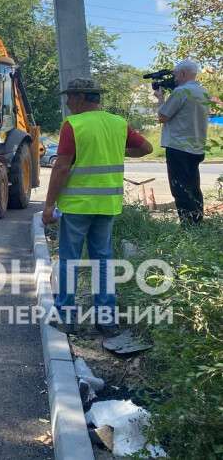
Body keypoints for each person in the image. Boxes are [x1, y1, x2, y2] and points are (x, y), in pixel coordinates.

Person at [42, 79, 153, 335]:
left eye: (70, 97)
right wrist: (117, 152)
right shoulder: (118, 123)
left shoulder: (74, 125)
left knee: (69, 260)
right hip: (107, 206)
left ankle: (66, 317)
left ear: (81, 97)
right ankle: (106, 320)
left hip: (78, 206)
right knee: (102, 261)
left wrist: (49, 205)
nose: (67, 102)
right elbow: (146, 148)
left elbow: (60, 167)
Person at [155, 59, 210, 225]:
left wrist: (160, 98)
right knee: (193, 187)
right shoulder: (203, 92)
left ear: (184, 73)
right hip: (197, 146)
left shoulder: (181, 92)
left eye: (176, 75)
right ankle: (197, 222)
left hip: (178, 146)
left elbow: (162, 116)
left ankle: (188, 227)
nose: (175, 79)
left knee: (179, 188)